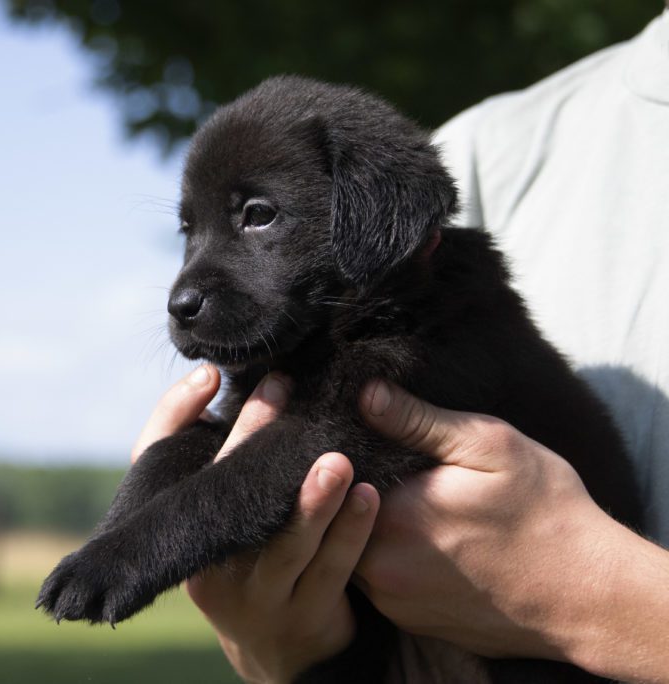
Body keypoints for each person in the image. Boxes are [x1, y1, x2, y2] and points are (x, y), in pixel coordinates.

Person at [132, 7, 669, 683]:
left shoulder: (439, 294)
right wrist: (283, 648)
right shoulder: (497, 146)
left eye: (255, 216)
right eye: (192, 230)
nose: (187, 282)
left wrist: (603, 599)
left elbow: (331, 436)